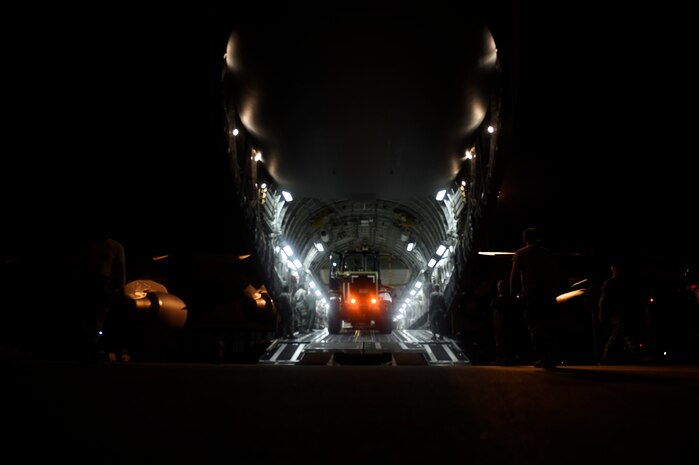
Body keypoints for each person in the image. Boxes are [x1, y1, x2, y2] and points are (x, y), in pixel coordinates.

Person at [76, 218, 126, 362]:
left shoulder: (114, 246)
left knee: (98, 315)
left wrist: (120, 286)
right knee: (91, 315)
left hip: (103, 284)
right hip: (92, 283)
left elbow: (120, 267)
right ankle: (91, 345)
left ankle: (92, 345)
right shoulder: (91, 246)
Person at [509, 227, 559, 368]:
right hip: (548, 294)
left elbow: (513, 275)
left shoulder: (521, 253)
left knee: (534, 325)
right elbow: (555, 273)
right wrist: (554, 291)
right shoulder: (547, 253)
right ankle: (552, 357)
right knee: (549, 326)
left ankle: (543, 357)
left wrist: (513, 293)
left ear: (524, 239)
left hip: (531, 294)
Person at [598, 259, 642, 364]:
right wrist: (602, 314)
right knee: (620, 333)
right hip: (614, 312)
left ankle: (607, 358)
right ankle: (606, 357)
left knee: (624, 333)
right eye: (616, 270)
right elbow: (603, 300)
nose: (618, 271)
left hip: (621, 312)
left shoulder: (622, 283)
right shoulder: (609, 283)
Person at [490, 279, 516, 365]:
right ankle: (501, 358)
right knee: (499, 341)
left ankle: (505, 358)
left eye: (501, 286)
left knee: (504, 340)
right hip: (499, 323)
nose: (499, 288)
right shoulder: (501, 299)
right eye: (499, 286)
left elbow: (494, 304)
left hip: (504, 323)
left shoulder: (505, 299)